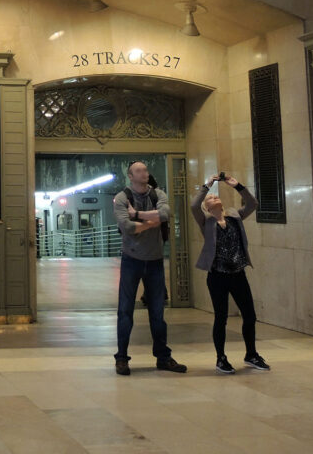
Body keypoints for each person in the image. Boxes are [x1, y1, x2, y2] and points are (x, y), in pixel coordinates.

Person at [191, 173, 270, 374]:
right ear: (207, 208)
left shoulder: (235, 216)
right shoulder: (206, 222)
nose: (214, 199)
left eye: (216, 197)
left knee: (249, 315)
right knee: (221, 317)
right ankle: (221, 358)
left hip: (238, 273)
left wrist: (238, 186)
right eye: (210, 199)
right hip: (217, 276)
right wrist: (207, 186)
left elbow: (253, 204)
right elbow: (193, 206)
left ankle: (251, 354)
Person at [112, 160, 186, 375]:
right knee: (125, 311)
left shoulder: (158, 194)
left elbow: (164, 215)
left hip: (154, 261)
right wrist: (149, 221)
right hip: (131, 260)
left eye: (145, 169)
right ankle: (122, 358)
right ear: (130, 176)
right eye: (139, 170)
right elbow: (126, 227)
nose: (144, 173)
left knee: (158, 312)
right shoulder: (122, 198)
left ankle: (163, 357)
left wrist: (137, 215)